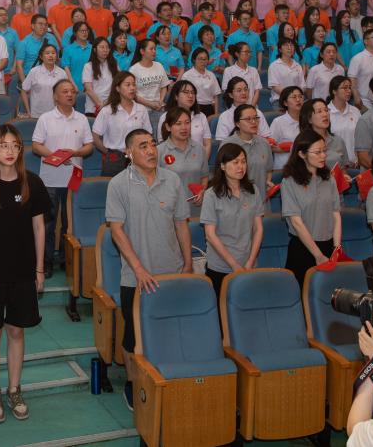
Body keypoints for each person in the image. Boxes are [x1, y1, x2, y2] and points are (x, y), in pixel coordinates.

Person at [105, 127, 191, 411]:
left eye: (153, 144)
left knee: (170, 331)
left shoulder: (172, 180)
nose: (151, 150)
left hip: (172, 273)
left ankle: (167, 379)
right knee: (133, 337)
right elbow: (117, 231)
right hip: (136, 277)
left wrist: (188, 264)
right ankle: (133, 385)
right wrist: (139, 269)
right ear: (129, 153)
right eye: (143, 146)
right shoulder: (118, 184)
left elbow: (181, 224)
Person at [0, 125, 49, 424]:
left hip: (22, 270)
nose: (9, 151)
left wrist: (39, 269)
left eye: (15, 145)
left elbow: (39, 227)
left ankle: (14, 389)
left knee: (16, 331)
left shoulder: (32, 182)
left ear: (21, 150)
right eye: (3, 145)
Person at [31, 79, 93, 282]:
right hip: (49, 179)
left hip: (74, 179)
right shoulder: (45, 119)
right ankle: (46, 262)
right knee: (48, 224)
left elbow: (89, 146)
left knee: (70, 224)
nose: (70, 95)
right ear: (55, 96)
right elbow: (36, 145)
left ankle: (68, 262)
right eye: (65, 92)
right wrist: (55, 157)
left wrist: (75, 153)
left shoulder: (81, 119)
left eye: (72, 91)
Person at [200, 143, 263, 298]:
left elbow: (258, 229)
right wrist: (234, 265)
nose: (240, 166)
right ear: (222, 166)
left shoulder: (253, 191)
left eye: (243, 161)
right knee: (221, 308)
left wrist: (250, 262)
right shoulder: (211, 195)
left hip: (248, 263)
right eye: (235, 162)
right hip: (220, 266)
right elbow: (210, 235)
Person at [281, 130, 342, 284]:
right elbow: (296, 222)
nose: (323, 156)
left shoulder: (329, 178)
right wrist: (318, 255)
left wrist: (336, 248)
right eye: (317, 152)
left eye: (324, 151)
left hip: (329, 245)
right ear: (302, 154)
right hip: (303, 248)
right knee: (304, 292)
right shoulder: (289, 182)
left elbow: (336, 214)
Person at [92, 71, 151, 177]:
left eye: (133, 84)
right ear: (118, 88)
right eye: (127, 85)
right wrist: (109, 153)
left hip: (137, 157)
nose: (132, 88)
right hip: (114, 159)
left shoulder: (141, 109)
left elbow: (148, 135)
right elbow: (95, 137)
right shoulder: (107, 111)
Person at [158, 106, 208, 217]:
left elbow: (204, 177)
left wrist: (202, 192)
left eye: (187, 123)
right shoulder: (159, 151)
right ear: (168, 127)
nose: (184, 127)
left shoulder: (199, 148)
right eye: (178, 123)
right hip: (170, 211)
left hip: (195, 208)